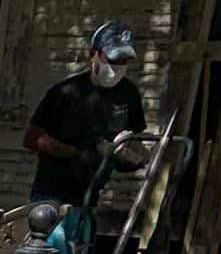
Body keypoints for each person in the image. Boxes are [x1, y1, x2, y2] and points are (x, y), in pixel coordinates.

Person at [23, 23, 146, 209]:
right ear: (93, 55)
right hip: (53, 194)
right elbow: (32, 138)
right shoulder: (66, 93)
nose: (117, 67)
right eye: (112, 60)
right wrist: (79, 153)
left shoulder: (128, 94)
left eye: (123, 61)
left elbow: (136, 140)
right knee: (53, 237)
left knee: (82, 237)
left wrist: (127, 156)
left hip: (90, 196)